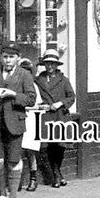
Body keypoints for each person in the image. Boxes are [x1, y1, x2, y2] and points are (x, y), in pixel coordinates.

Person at [0, 42, 36, 198]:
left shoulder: (24, 75)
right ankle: (1, 195)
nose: (7, 60)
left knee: (13, 160)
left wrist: (13, 94)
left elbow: (31, 99)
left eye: (11, 57)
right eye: (5, 57)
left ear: (18, 58)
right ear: (1, 58)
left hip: (15, 123)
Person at [35, 49, 76, 187]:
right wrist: (40, 106)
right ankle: (57, 176)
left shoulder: (63, 80)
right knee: (49, 147)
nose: (50, 67)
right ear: (44, 65)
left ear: (57, 65)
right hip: (46, 117)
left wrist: (60, 103)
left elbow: (71, 96)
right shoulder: (38, 80)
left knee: (60, 147)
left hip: (60, 117)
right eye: (47, 63)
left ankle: (57, 172)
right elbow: (34, 97)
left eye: (53, 64)